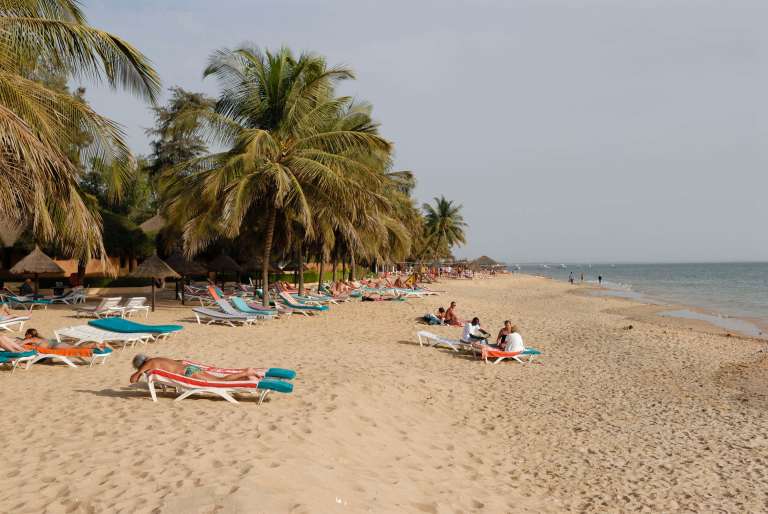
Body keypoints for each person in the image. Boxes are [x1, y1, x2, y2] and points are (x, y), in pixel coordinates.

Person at [129, 354, 262, 384]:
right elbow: (179, 362)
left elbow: (132, 380)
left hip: (188, 373)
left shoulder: (149, 363)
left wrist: (140, 372)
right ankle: (245, 377)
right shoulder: (158, 359)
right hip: (189, 368)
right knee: (218, 379)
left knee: (219, 381)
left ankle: (247, 372)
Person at [21, 328, 104, 350]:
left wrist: (20, 343)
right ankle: (99, 344)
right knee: (75, 347)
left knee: (76, 348)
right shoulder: (40, 337)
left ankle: (94, 345)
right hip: (57, 344)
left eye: (26, 334)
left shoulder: (31, 339)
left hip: (55, 346)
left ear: (29, 335)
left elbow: (21, 343)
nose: (25, 336)